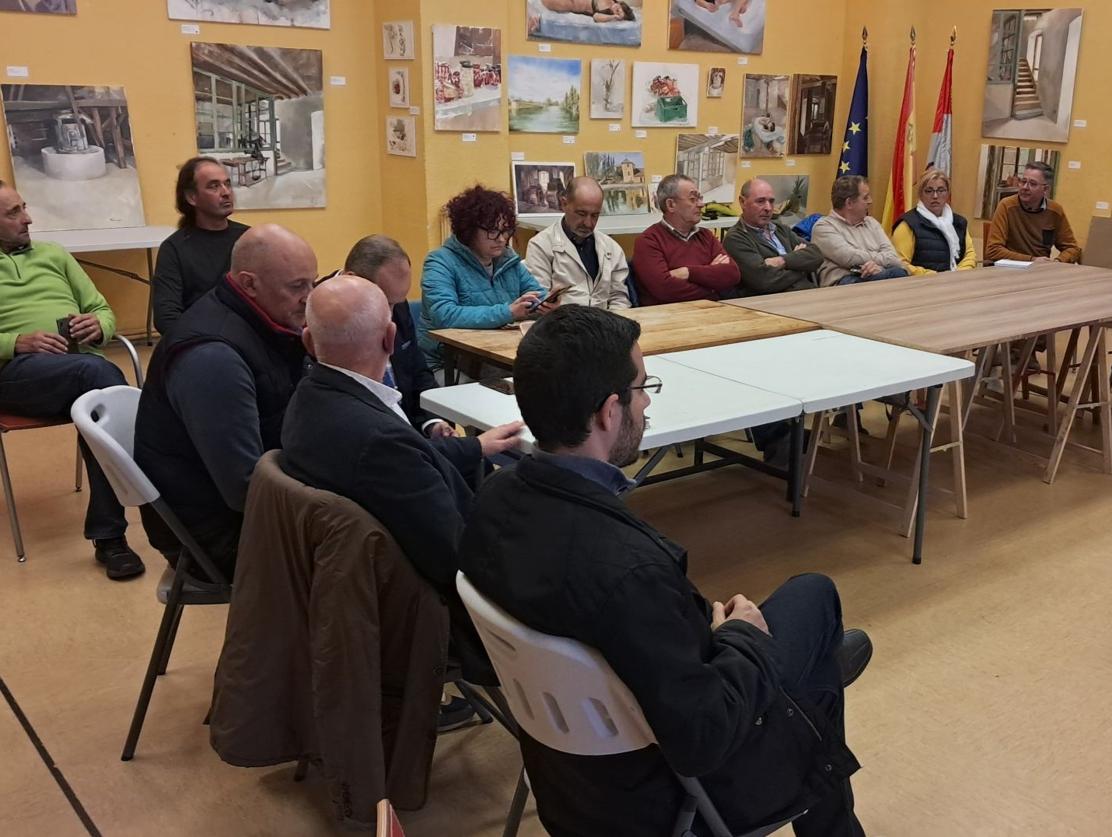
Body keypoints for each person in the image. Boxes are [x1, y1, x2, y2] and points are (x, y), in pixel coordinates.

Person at [458, 305, 871, 837]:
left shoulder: (491, 503)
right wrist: (742, 637)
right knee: (816, 602)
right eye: (641, 386)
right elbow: (703, 736)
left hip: (565, 777)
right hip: (667, 793)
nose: (647, 401)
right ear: (609, 411)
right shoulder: (627, 572)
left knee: (815, 654)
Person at [280, 275, 516, 715]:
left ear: (309, 341)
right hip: (435, 611)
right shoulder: (381, 442)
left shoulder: (310, 399)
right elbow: (456, 558)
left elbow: (413, 468)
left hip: (352, 590)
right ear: (390, 337)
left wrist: (472, 451)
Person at [134, 225, 315, 584]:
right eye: (297, 287)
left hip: (233, 512)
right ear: (249, 284)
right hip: (219, 538)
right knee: (383, 543)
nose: (310, 298)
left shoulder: (261, 322)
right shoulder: (213, 358)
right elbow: (245, 489)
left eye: (314, 282)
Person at [0, 180, 144, 580]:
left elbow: (101, 307)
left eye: (24, 207)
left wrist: (96, 326)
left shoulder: (54, 255)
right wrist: (16, 342)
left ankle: (110, 535)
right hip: (15, 378)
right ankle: (134, 516)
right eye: (13, 212)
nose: (27, 218)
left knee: (95, 395)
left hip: (78, 369)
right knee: (101, 383)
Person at [339, 234, 523, 477]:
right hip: (386, 455)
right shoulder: (331, 326)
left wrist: (432, 423)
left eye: (398, 301)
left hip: (410, 437)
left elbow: (417, 371)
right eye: (386, 303)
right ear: (353, 280)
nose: (391, 316)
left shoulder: (393, 303)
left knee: (484, 470)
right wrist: (473, 446)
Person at [416, 185, 550, 371]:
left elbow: (535, 292)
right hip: (448, 363)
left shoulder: (507, 259)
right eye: (492, 232)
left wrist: (545, 304)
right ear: (468, 230)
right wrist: (508, 312)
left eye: (505, 231)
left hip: (492, 356)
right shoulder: (440, 262)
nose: (501, 239)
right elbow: (445, 315)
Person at [153, 157, 249, 335]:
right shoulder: (174, 249)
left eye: (227, 184)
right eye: (214, 186)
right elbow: (166, 317)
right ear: (191, 197)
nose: (226, 192)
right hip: (203, 342)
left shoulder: (249, 239)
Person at [524, 176, 632, 310]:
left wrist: (613, 325)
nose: (588, 223)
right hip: (562, 325)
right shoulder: (540, 246)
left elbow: (619, 298)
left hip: (604, 325)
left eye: (595, 215)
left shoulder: (612, 248)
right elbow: (539, 301)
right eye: (581, 213)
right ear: (564, 204)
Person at [631, 174, 740, 305]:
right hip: (668, 317)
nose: (701, 204)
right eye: (693, 199)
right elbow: (665, 290)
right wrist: (712, 285)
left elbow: (733, 274)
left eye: (700, 198)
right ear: (671, 205)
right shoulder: (648, 241)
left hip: (710, 312)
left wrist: (688, 272)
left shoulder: (706, 236)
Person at [724, 177, 824, 294]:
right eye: (760, 201)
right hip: (774, 303)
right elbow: (763, 280)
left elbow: (817, 255)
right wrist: (801, 266)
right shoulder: (736, 238)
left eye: (771, 201)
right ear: (742, 202)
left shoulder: (780, 229)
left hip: (808, 294)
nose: (768, 208)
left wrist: (782, 261)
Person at [811, 176, 910, 286]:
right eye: (865, 198)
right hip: (844, 282)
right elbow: (849, 258)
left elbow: (893, 256)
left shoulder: (871, 223)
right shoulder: (824, 227)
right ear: (849, 203)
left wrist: (878, 268)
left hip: (877, 275)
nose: (870, 201)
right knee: (897, 274)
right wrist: (882, 262)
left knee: (898, 274)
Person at [984, 161, 1081, 264]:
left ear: (1045, 189)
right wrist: (1032, 260)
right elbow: (993, 250)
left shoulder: (1055, 210)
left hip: (1041, 271)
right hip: (1010, 268)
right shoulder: (1006, 206)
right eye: (1023, 181)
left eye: (1032, 184)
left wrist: (1057, 261)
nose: (1025, 187)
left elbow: (1072, 248)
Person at [891, 168, 977, 275]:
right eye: (929, 191)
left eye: (941, 190)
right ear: (920, 194)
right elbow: (900, 263)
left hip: (956, 282)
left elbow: (970, 254)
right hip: (921, 285)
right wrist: (930, 275)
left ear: (948, 194)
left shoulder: (959, 222)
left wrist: (957, 274)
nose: (935, 196)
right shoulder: (908, 224)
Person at [538, 0, 635, 22]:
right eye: (618, 9)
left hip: (570, 4)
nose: (615, 11)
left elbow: (596, 17)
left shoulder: (606, 13)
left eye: (617, 13)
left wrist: (613, 17)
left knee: (546, 2)